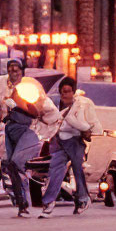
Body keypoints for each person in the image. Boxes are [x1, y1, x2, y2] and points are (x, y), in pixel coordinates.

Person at [0, 58, 60, 217]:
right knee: (10, 165)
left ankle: (28, 201)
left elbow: (49, 113)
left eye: (17, 69)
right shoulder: (1, 88)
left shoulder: (30, 88)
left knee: (16, 162)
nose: (14, 72)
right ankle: (22, 204)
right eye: (10, 69)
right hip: (9, 131)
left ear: (22, 71)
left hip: (29, 132)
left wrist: (43, 129)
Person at [39, 77, 102, 218]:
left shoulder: (84, 104)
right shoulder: (54, 104)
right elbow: (47, 120)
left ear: (73, 92)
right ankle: (48, 203)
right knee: (55, 170)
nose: (64, 94)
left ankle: (82, 199)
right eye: (62, 92)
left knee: (77, 169)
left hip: (75, 140)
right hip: (58, 141)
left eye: (67, 91)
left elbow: (93, 123)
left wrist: (88, 131)